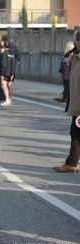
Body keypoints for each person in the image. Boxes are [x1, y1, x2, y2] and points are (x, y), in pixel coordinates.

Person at [53, 30, 80, 173]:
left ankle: (71, 163)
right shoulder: (77, 57)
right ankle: (71, 163)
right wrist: (69, 62)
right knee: (75, 133)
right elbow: (75, 74)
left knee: (76, 134)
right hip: (77, 104)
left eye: (75, 41)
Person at [0, 41, 16, 106]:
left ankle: (7, 100)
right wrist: (13, 73)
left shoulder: (4, 54)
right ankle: (10, 99)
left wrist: (2, 74)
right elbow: (14, 64)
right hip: (11, 72)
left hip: (5, 72)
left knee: (4, 86)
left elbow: (3, 64)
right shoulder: (12, 54)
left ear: (4, 46)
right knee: (10, 86)